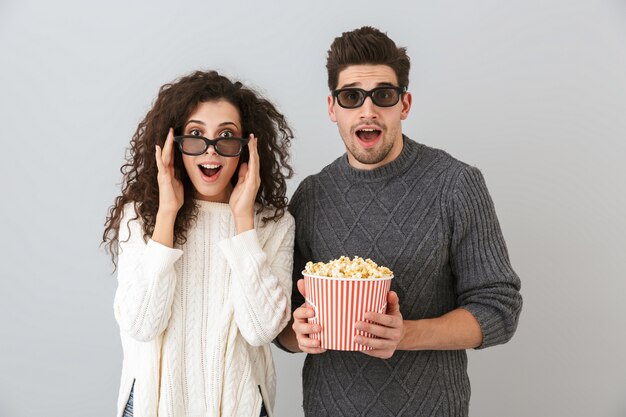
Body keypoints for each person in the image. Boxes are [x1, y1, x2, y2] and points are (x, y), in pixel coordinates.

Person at [276, 26, 523, 416]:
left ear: (404, 104)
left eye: (384, 96)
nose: (368, 110)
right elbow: (283, 323)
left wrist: (404, 334)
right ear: (332, 108)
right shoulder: (311, 196)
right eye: (352, 96)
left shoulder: (455, 184)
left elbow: (499, 309)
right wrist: (297, 332)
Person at [103, 70, 295, 417]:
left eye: (226, 136)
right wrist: (167, 215)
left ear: (247, 148)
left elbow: (261, 329)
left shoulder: (272, 224)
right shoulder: (141, 216)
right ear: (173, 144)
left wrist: (242, 224)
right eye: (195, 135)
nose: (211, 150)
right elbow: (141, 323)